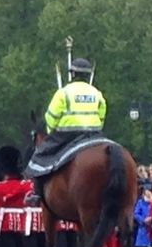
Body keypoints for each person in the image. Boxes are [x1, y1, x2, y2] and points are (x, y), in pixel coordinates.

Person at [27, 58, 107, 204]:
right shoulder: (97, 93)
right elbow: (101, 115)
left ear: (72, 74)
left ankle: (37, 193)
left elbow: (51, 117)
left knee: (39, 156)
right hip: (93, 134)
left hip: (67, 134)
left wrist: (51, 131)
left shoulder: (63, 93)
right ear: (88, 75)